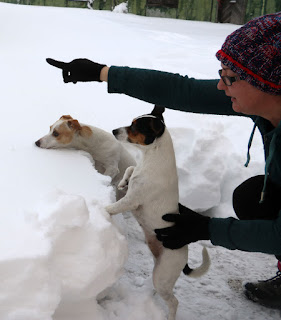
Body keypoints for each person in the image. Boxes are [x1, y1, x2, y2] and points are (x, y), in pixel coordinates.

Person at [46, 12, 281, 309]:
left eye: (229, 78)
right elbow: (184, 90)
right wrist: (102, 72)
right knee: (254, 198)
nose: (221, 86)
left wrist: (207, 228)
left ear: (269, 84)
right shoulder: (260, 96)